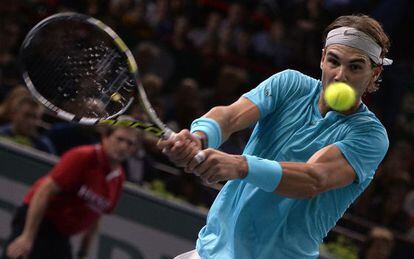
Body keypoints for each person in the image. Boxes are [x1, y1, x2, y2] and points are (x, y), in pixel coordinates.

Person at [158, 14, 392, 258]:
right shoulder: (290, 84)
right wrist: (200, 137)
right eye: (334, 61)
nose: (340, 75)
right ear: (323, 58)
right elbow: (230, 116)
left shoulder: (370, 136)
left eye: (355, 67)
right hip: (210, 249)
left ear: (374, 74)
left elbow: (312, 179)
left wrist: (240, 165)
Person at [1, 121, 139, 259]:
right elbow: (44, 191)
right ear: (105, 138)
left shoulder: (119, 178)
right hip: (39, 222)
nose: (123, 147)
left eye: (130, 143)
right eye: (119, 139)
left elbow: (95, 216)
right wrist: (27, 237)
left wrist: (83, 253)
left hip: (60, 236)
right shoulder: (83, 156)